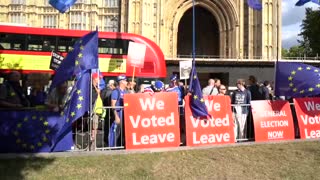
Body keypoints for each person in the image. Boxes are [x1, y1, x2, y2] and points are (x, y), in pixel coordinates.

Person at [109, 74, 128, 147]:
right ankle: (114, 146)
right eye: (125, 81)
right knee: (116, 131)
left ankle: (121, 145)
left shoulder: (125, 91)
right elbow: (112, 104)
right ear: (122, 82)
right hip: (118, 113)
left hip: (124, 114)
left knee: (122, 131)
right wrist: (116, 116)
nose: (127, 82)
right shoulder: (116, 91)